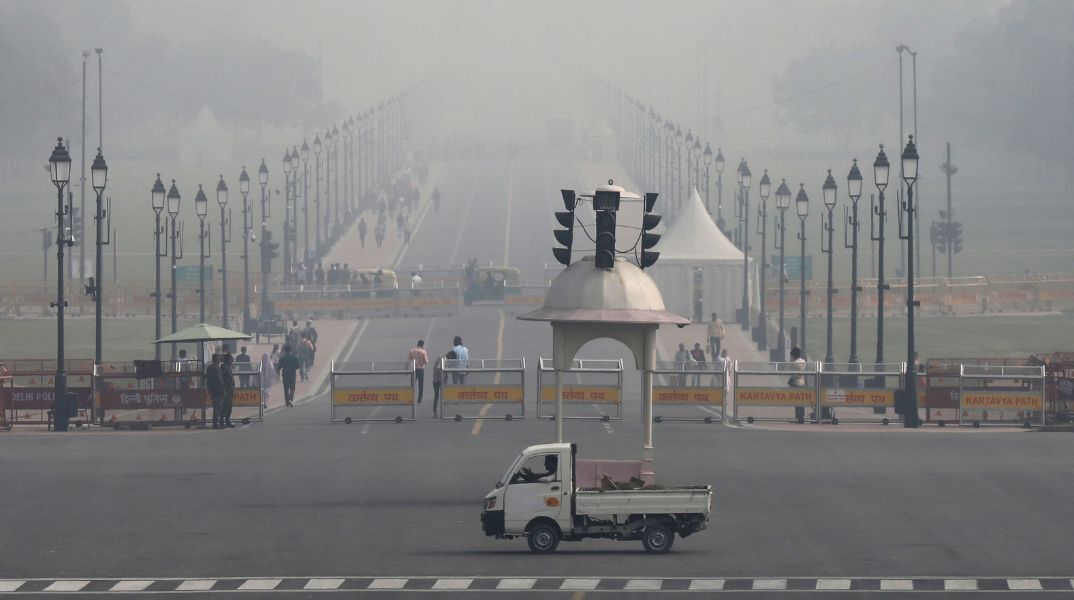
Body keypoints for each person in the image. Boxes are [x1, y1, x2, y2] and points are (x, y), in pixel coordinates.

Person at [204, 354, 226, 429]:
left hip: (212, 390)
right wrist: (223, 389)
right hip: (218, 390)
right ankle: (215, 423)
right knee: (218, 407)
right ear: (217, 360)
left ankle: (215, 423)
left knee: (216, 406)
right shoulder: (217, 369)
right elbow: (220, 380)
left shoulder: (209, 368)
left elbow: (207, 377)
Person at [433, 350, 454, 418]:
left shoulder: (447, 360)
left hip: (442, 380)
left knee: (443, 395)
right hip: (437, 380)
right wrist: (443, 375)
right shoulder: (441, 358)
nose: (451, 360)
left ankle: (442, 412)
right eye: (452, 358)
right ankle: (435, 412)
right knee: (437, 396)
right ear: (450, 356)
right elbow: (438, 368)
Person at [789, 347, 807, 424]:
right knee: (802, 400)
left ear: (794, 355)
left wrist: (789, 382)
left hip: (796, 384)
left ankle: (798, 416)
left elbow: (794, 375)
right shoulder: (803, 361)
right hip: (802, 383)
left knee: (796, 401)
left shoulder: (795, 363)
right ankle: (802, 415)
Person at [408, 340, 429, 405]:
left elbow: (409, 359)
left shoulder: (412, 351)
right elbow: (426, 362)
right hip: (421, 369)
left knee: (412, 385)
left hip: (414, 369)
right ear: (422, 345)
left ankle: (409, 399)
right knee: (420, 386)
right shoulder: (423, 352)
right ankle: (419, 401)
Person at [220, 353, 236, 428]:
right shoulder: (224, 368)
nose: (232, 361)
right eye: (231, 359)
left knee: (229, 406)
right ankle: (222, 421)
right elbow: (223, 380)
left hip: (229, 390)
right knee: (225, 406)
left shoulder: (228, 367)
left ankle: (227, 420)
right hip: (226, 390)